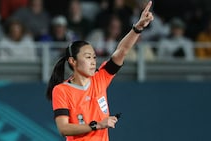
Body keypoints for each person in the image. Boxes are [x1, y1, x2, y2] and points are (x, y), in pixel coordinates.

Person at [46, 1, 153, 141]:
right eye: (88, 57)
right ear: (73, 61)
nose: (93, 61)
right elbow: (63, 128)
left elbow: (122, 51)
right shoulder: (62, 90)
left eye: (94, 57)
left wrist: (137, 28)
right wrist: (97, 125)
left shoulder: (100, 78)